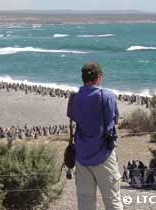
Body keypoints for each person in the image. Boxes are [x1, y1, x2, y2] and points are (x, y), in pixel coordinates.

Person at [67, 62, 123, 210]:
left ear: (83, 78)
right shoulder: (107, 96)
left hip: (81, 156)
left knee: (85, 204)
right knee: (113, 202)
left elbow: (73, 116)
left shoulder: (74, 98)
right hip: (104, 154)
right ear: (99, 76)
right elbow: (115, 119)